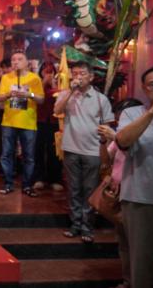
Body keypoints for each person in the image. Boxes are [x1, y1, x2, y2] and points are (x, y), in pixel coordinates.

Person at [115, 65, 153, 288]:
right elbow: (123, 141)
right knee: (141, 263)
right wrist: (152, 112)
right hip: (139, 197)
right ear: (144, 88)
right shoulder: (133, 113)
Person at [54, 61, 114, 244]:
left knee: (89, 189)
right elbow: (57, 111)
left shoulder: (100, 99)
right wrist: (71, 92)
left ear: (91, 77)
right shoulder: (66, 94)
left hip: (93, 151)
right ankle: (75, 225)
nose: (78, 77)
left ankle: (88, 227)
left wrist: (106, 152)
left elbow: (108, 126)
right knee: (73, 189)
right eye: (75, 74)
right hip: (71, 148)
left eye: (82, 74)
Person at [100, 98, 143, 288]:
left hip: (137, 193)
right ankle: (128, 280)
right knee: (124, 242)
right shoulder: (119, 135)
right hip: (118, 192)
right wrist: (104, 141)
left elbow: (134, 152)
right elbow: (105, 161)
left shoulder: (139, 133)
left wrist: (117, 136)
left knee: (139, 244)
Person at [0, 50, 44, 196]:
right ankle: (8, 183)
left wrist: (28, 94)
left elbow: (41, 99)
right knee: (6, 154)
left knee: (28, 156)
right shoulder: (6, 78)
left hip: (28, 122)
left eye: (19, 59)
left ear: (26, 62)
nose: (15, 62)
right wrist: (8, 94)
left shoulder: (34, 79)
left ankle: (27, 185)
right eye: (13, 60)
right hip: (9, 121)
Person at [33, 62, 63, 191]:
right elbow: (36, 99)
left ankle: (55, 179)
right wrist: (44, 83)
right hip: (38, 121)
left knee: (54, 151)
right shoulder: (36, 83)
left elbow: (60, 99)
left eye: (51, 71)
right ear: (40, 71)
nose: (48, 73)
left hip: (55, 122)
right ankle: (39, 178)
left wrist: (53, 84)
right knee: (38, 150)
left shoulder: (60, 84)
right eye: (45, 70)